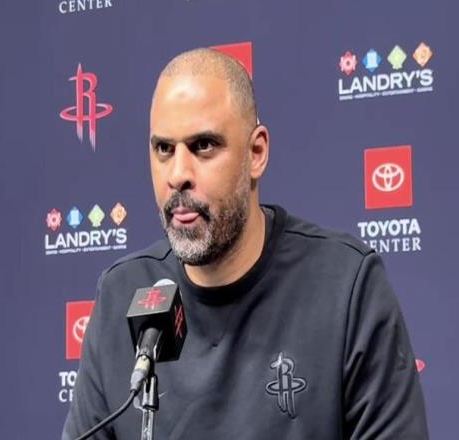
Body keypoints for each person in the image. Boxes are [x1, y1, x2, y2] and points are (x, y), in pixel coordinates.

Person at [62, 48, 428, 439]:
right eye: (164, 149)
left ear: (256, 153)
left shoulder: (345, 286)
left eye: (204, 146)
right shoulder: (122, 293)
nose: (178, 174)